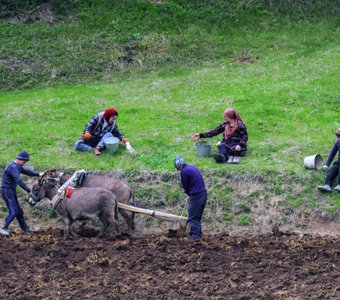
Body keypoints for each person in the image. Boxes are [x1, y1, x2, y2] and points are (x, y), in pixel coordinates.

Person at [0, 151, 42, 236]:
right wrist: (28, 190)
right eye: (24, 161)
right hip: (6, 190)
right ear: (20, 159)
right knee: (13, 212)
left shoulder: (18, 166)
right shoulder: (12, 167)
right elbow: (19, 180)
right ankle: (3, 228)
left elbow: (28, 171)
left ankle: (26, 229)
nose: (25, 163)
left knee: (19, 211)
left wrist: (39, 174)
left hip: (11, 190)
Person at [174, 156, 207, 240]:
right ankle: (198, 234)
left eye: (177, 168)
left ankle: (195, 236)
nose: (178, 170)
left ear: (180, 166)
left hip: (196, 195)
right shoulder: (192, 168)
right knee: (197, 216)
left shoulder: (184, 172)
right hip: (203, 194)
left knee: (192, 216)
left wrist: (189, 194)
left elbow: (186, 186)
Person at [318, 128, 340, 193]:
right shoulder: (337, 143)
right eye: (337, 136)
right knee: (331, 171)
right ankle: (327, 185)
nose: (338, 138)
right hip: (339, 162)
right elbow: (332, 154)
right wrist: (327, 165)